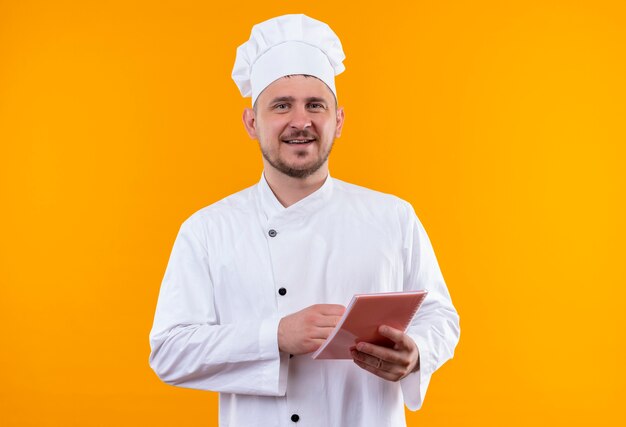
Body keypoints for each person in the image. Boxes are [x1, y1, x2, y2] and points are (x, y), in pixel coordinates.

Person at [149, 14, 460, 427]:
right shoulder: (207, 230)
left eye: (316, 105)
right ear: (251, 122)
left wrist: (417, 351)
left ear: (339, 120)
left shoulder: (393, 217)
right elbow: (169, 351)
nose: (301, 121)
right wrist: (275, 335)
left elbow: (439, 316)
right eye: (281, 105)